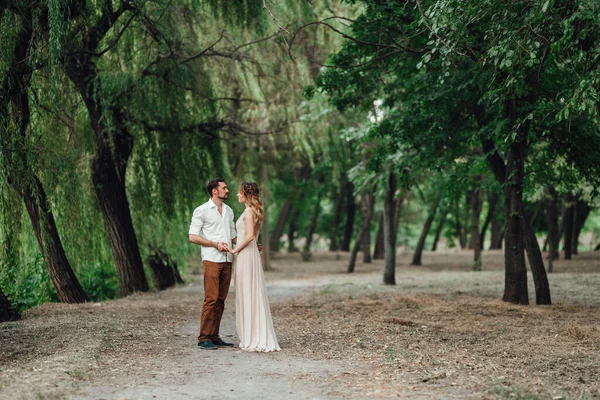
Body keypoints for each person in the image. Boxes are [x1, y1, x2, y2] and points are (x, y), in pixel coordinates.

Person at [228, 182, 280, 352]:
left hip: (246, 255)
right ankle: (252, 333)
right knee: (249, 291)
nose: (237, 195)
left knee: (248, 292)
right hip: (251, 254)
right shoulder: (253, 211)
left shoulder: (249, 212)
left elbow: (250, 236)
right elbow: (254, 238)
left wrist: (235, 249)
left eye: (239, 193)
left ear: (246, 194)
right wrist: (255, 244)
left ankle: (253, 336)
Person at [189, 177, 237, 350]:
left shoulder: (229, 211)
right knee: (211, 298)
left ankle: (214, 336)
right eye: (224, 188)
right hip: (212, 259)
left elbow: (233, 236)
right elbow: (193, 236)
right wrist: (215, 244)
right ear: (214, 191)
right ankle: (203, 337)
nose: (227, 190)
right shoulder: (201, 210)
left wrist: (250, 245)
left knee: (221, 300)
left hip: (227, 260)